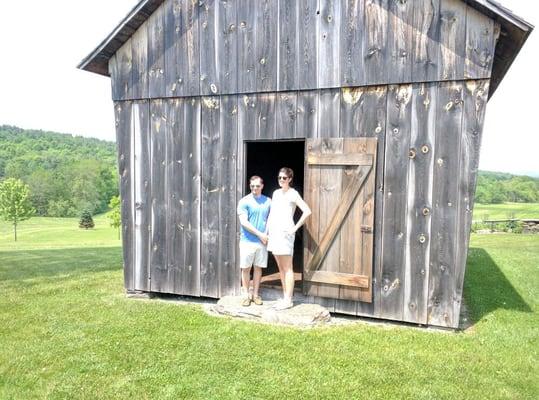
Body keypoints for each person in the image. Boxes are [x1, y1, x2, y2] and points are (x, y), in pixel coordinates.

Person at [267, 167, 311, 310]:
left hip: (286, 234)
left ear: (290, 179)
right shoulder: (276, 193)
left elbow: (307, 211)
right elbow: (272, 214)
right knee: (280, 267)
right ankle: (285, 296)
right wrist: (266, 232)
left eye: (284, 178)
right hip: (274, 232)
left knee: (288, 268)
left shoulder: (293, 194)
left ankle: (289, 299)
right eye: (279, 178)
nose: (281, 180)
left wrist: (294, 228)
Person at [237, 176, 271, 306]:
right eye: (252, 186)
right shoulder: (244, 201)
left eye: (257, 186)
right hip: (247, 241)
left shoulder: (268, 201)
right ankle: (246, 295)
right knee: (245, 268)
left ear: (262, 186)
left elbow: (270, 219)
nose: (254, 189)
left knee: (258, 268)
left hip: (261, 242)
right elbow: (244, 222)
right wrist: (260, 234)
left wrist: (266, 234)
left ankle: (256, 295)